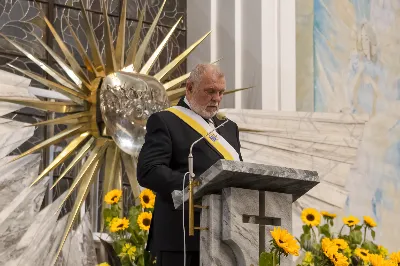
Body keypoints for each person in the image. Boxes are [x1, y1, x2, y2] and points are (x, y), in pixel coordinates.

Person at [137, 64, 243, 266]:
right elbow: (148, 170)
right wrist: (194, 183)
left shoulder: (229, 128)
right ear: (189, 88)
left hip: (226, 235)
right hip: (182, 236)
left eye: (221, 92)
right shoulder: (166, 121)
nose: (217, 99)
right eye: (210, 91)